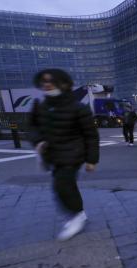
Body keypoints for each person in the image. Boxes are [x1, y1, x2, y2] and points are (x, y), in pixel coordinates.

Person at [29, 68, 99, 241]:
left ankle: (76, 216)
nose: (47, 84)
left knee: (62, 185)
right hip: (52, 154)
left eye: (51, 81)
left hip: (73, 153)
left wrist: (91, 160)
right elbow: (31, 127)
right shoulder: (40, 106)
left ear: (64, 84)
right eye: (44, 81)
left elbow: (91, 135)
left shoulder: (78, 108)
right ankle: (79, 213)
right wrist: (38, 141)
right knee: (66, 184)